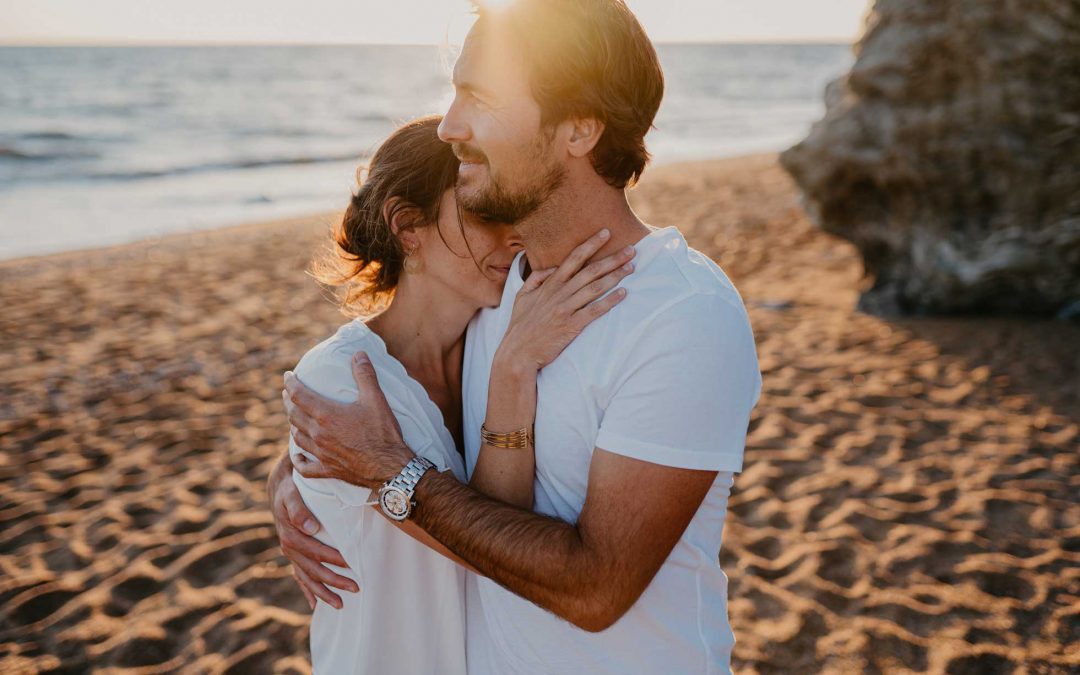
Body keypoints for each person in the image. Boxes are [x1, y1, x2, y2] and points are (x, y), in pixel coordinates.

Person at [275, 0, 763, 672]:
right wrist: (296, 476)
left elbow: (597, 589)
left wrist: (389, 471)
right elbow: (392, 385)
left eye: (477, 95)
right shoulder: (495, 288)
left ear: (581, 127)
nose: (449, 125)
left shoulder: (681, 314)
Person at [271, 114, 635, 674]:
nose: (515, 237)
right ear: (406, 227)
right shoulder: (344, 378)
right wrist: (515, 369)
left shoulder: (488, 341)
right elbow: (494, 542)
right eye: (485, 215)